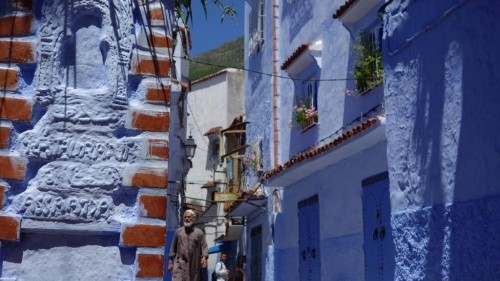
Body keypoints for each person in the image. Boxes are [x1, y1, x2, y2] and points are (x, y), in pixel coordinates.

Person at [168, 209, 209, 281]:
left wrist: (204, 257)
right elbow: (173, 247)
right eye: (185, 217)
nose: (187, 219)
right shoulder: (179, 232)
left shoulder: (199, 233)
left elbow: (204, 246)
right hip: (180, 265)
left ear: (193, 218)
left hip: (194, 265)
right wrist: (170, 262)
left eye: (189, 217)